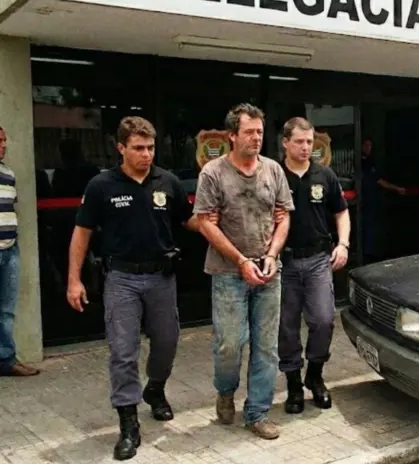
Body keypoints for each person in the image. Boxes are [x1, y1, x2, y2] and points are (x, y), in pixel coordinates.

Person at [66, 116, 199, 461]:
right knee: (123, 351)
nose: (146, 154)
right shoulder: (101, 186)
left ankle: (155, 390)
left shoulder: (167, 181)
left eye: (150, 147)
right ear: (121, 148)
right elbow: (82, 233)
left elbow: (189, 220)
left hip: (161, 278)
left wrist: (224, 219)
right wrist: (74, 279)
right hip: (121, 279)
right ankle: (128, 422)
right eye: (138, 148)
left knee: (167, 342)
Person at [193, 103, 293, 440]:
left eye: (260, 132)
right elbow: (206, 222)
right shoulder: (213, 173)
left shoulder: (274, 171)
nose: (256, 138)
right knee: (229, 344)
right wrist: (241, 261)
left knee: (266, 347)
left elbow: (284, 215)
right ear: (232, 135)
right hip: (227, 273)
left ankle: (257, 413)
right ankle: (225, 391)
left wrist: (272, 254)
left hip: (268, 272)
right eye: (249, 132)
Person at [274, 117, 351, 414]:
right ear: (285, 142)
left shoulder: (325, 175)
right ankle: (293, 384)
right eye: (300, 142)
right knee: (286, 326)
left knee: (323, 320)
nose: (306, 147)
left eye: (310, 142)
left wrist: (342, 244)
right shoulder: (274, 174)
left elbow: (341, 212)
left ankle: (315, 375)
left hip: (319, 259)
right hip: (285, 262)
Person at [0, 125, 40, 378]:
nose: (3, 145)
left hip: (9, 250)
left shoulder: (8, 174)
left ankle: (6, 360)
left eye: (4, 140)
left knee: (6, 310)